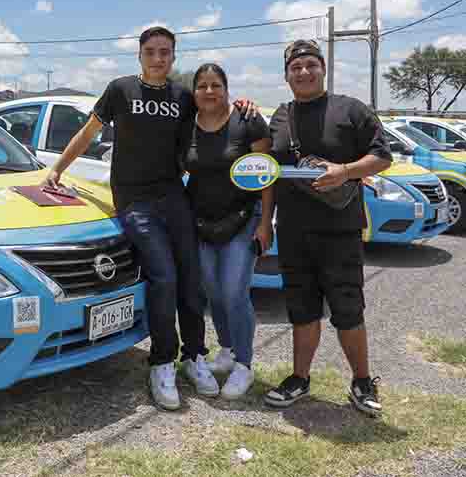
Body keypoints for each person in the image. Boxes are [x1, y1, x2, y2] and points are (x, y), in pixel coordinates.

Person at [43, 26, 254, 410]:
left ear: (173, 57)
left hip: (174, 196)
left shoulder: (182, 96)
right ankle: (161, 362)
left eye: (166, 52)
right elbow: (88, 132)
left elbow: (214, 113)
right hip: (134, 200)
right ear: (140, 55)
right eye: (152, 51)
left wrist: (242, 104)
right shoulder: (120, 89)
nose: (159, 58)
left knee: (191, 279)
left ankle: (194, 356)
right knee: (164, 276)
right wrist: (57, 168)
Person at [264, 39, 391, 416]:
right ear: (286, 75)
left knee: (348, 309)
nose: (303, 72)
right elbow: (269, 173)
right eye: (295, 67)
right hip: (292, 231)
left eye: (310, 65)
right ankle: (299, 379)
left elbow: (382, 157)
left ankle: (362, 382)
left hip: (340, 230)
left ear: (323, 69)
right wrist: (266, 222)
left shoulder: (351, 110)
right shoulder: (280, 117)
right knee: (301, 309)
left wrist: (346, 171)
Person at [183, 63, 274, 399]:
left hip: (242, 220)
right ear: (195, 92)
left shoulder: (248, 120)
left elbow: (266, 176)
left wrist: (266, 222)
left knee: (235, 293)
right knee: (214, 292)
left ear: (227, 88)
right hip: (201, 222)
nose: (209, 91)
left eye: (216, 85)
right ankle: (227, 350)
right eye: (202, 85)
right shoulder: (186, 125)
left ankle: (245, 366)